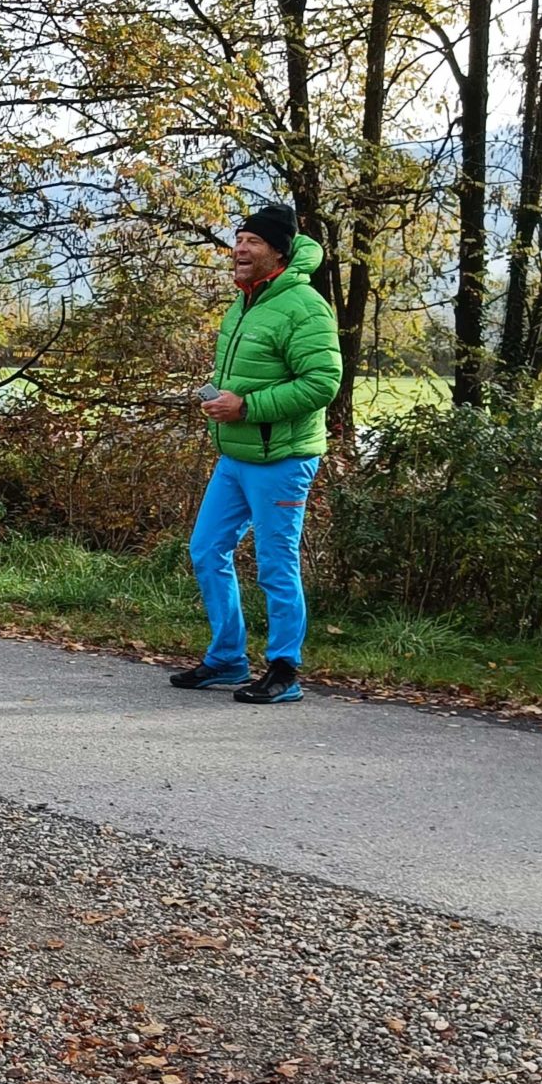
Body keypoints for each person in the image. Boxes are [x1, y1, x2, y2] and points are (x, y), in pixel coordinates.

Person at [171, 200, 342, 705]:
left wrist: (246, 406)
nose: (240, 249)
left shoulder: (304, 305)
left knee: (275, 563)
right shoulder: (245, 301)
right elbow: (244, 373)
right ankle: (227, 657)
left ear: (279, 252)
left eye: (253, 242)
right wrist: (219, 397)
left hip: (283, 458)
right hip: (236, 456)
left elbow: (322, 383)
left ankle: (285, 669)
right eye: (238, 240)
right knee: (206, 550)